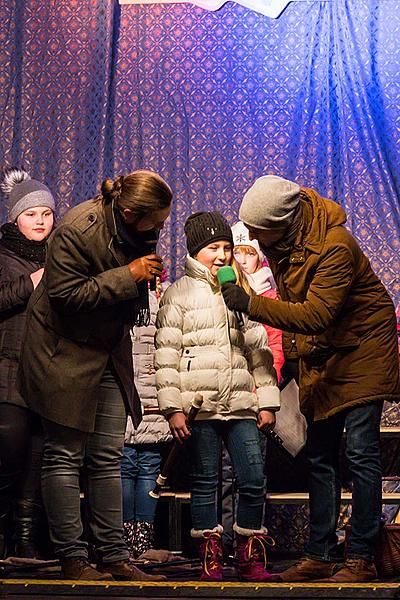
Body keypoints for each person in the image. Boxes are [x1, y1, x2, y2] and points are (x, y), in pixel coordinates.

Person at [221, 175, 400, 583]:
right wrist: (297, 363)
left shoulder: (335, 246)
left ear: (282, 221)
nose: (254, 238)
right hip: (326, 356)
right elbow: (301, 314)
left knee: (359, 454)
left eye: (259, 230)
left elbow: (316, 314)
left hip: (363, 355)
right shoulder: (284, 243)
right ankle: (319, 554)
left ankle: (360, 558)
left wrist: (250, 305)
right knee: (319, 456)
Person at [17, 170, 172, 581]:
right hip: (62, 352)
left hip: (104, 349)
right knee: (65, 455)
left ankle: (114, 557)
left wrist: (142, 275)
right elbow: (65, 295)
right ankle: (73, 557)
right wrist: (131, 275)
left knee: (108, 456)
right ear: (126, 211)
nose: (160, 228)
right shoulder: (77, 229)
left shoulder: (136, 232)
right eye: (155, 221)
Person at [155, 211, 280, 582]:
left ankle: (248, 554)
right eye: (214, 248)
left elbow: (259, 349)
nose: (224, 255)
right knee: (206, 479)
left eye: (227, 247)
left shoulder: (241, 292)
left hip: (241, 401)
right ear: (197, 251)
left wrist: (268, 399)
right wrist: (173, 409)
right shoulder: (179, 293)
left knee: (253, 475)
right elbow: (166, 355)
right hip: (200, 404)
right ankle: (211, 556)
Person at [0, 168, 55, 558]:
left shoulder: (60, 257)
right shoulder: (2, 254)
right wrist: (30, 282)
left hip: (46, 373)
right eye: (31, 213)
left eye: (46, 214)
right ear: (15, 217)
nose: (40, 221)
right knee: (9, 456)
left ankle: (25, 542)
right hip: (8, 370)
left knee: (38, 462)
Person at [121, 274, 172, 559]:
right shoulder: (159, 305)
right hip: (149, 396)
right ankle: (141, 541)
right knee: (145, 467)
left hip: (132, 395)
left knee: (129, 466)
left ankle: (128, 540)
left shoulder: (122, 303)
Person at [232, 220, 284, 383]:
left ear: (260, 257)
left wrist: (265, 387)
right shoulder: (224, 291)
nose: (242, 260)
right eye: (237, 253)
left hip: (260, 381)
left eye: (250, 253)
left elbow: (276, 347)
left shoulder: (269, 297)